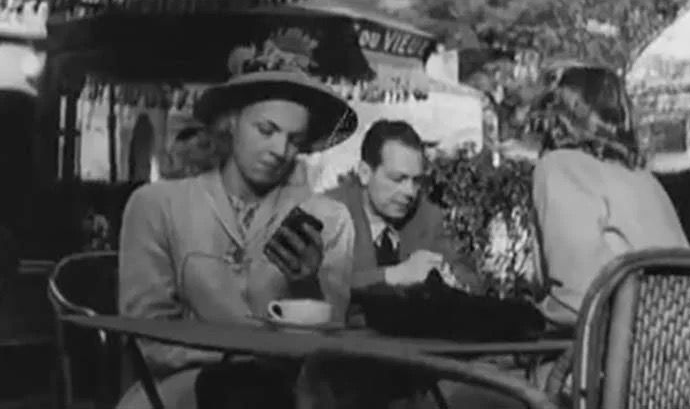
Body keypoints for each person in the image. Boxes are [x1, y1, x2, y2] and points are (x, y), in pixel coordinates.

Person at [116, 42, 359, 409]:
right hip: (183, 390)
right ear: (231, 123)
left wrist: (306, 283)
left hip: (291, 392)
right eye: (266, 130)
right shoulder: (157, 205)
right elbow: (146, 338)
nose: (280, 149)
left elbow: (329, 346)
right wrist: (241, 359)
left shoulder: (329, 220)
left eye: (294, 140)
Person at [526, 64, 689, 327]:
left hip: (620, 355)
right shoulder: (642, 176)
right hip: (678, 342)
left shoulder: (560, 167)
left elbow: (578, 300)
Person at [326, 120, 479, 295]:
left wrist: (447, 275)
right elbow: (319, 284)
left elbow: (470, 280)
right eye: (398, 179)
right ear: (365, 173)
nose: (410, 192)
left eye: (416, 181)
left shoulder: (427, 216)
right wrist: (391, 276)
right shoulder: (329, 212)